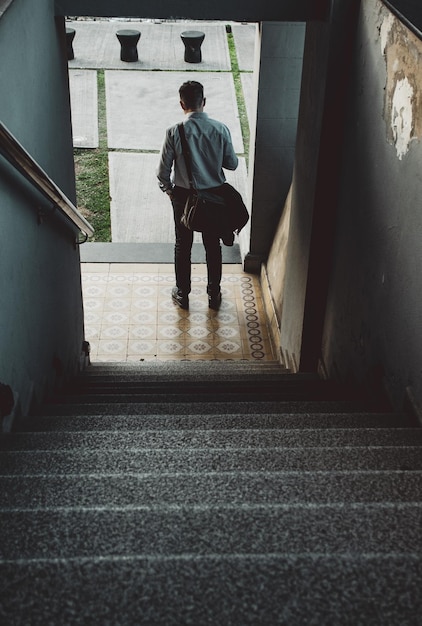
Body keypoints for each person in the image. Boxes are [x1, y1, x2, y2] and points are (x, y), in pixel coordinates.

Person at [157, 80, 238, 310]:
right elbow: (231, 164)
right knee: (213, 245)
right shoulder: (220, 129)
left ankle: (182, 293)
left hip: (184, 197)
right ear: (204, 102)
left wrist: (170, 192)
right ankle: (214, 293)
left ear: (182, 104)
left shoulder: (174, 131)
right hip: (213, 196)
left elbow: (162, 172)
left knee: (183, 244)